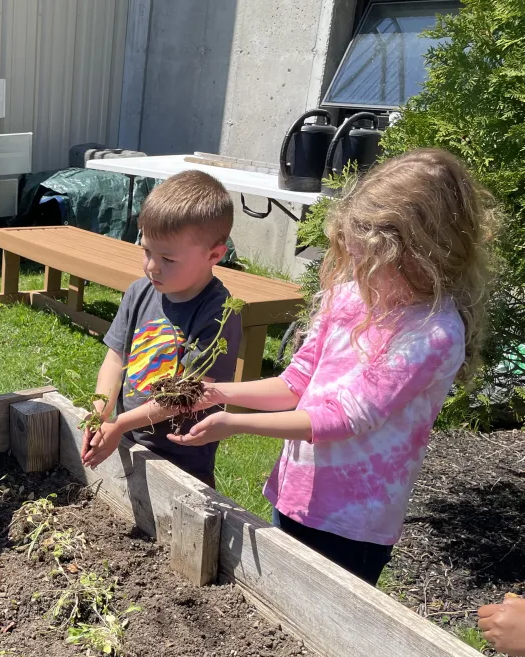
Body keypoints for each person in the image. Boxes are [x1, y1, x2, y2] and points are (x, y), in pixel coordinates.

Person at [169, 149, 495, 585]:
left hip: (353, 524)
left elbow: (344, 418)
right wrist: (223, 394)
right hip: (298, 493)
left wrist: (236, 425)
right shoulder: (350, 298)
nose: (358, 271)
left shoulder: (432, 334)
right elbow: (295, 384)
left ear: (423, 256)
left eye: (371, 263)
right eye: (356, 257)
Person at [81, 170, 241, 487]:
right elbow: (115, 359)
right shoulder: (139, 292)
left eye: (167, 258)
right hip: (130, 442)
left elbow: (191, 393)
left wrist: (122, 422)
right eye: (146, 251)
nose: (152, 266)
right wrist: (100, 411)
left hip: (183, 461)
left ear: (214, 255)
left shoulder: (218, 313)